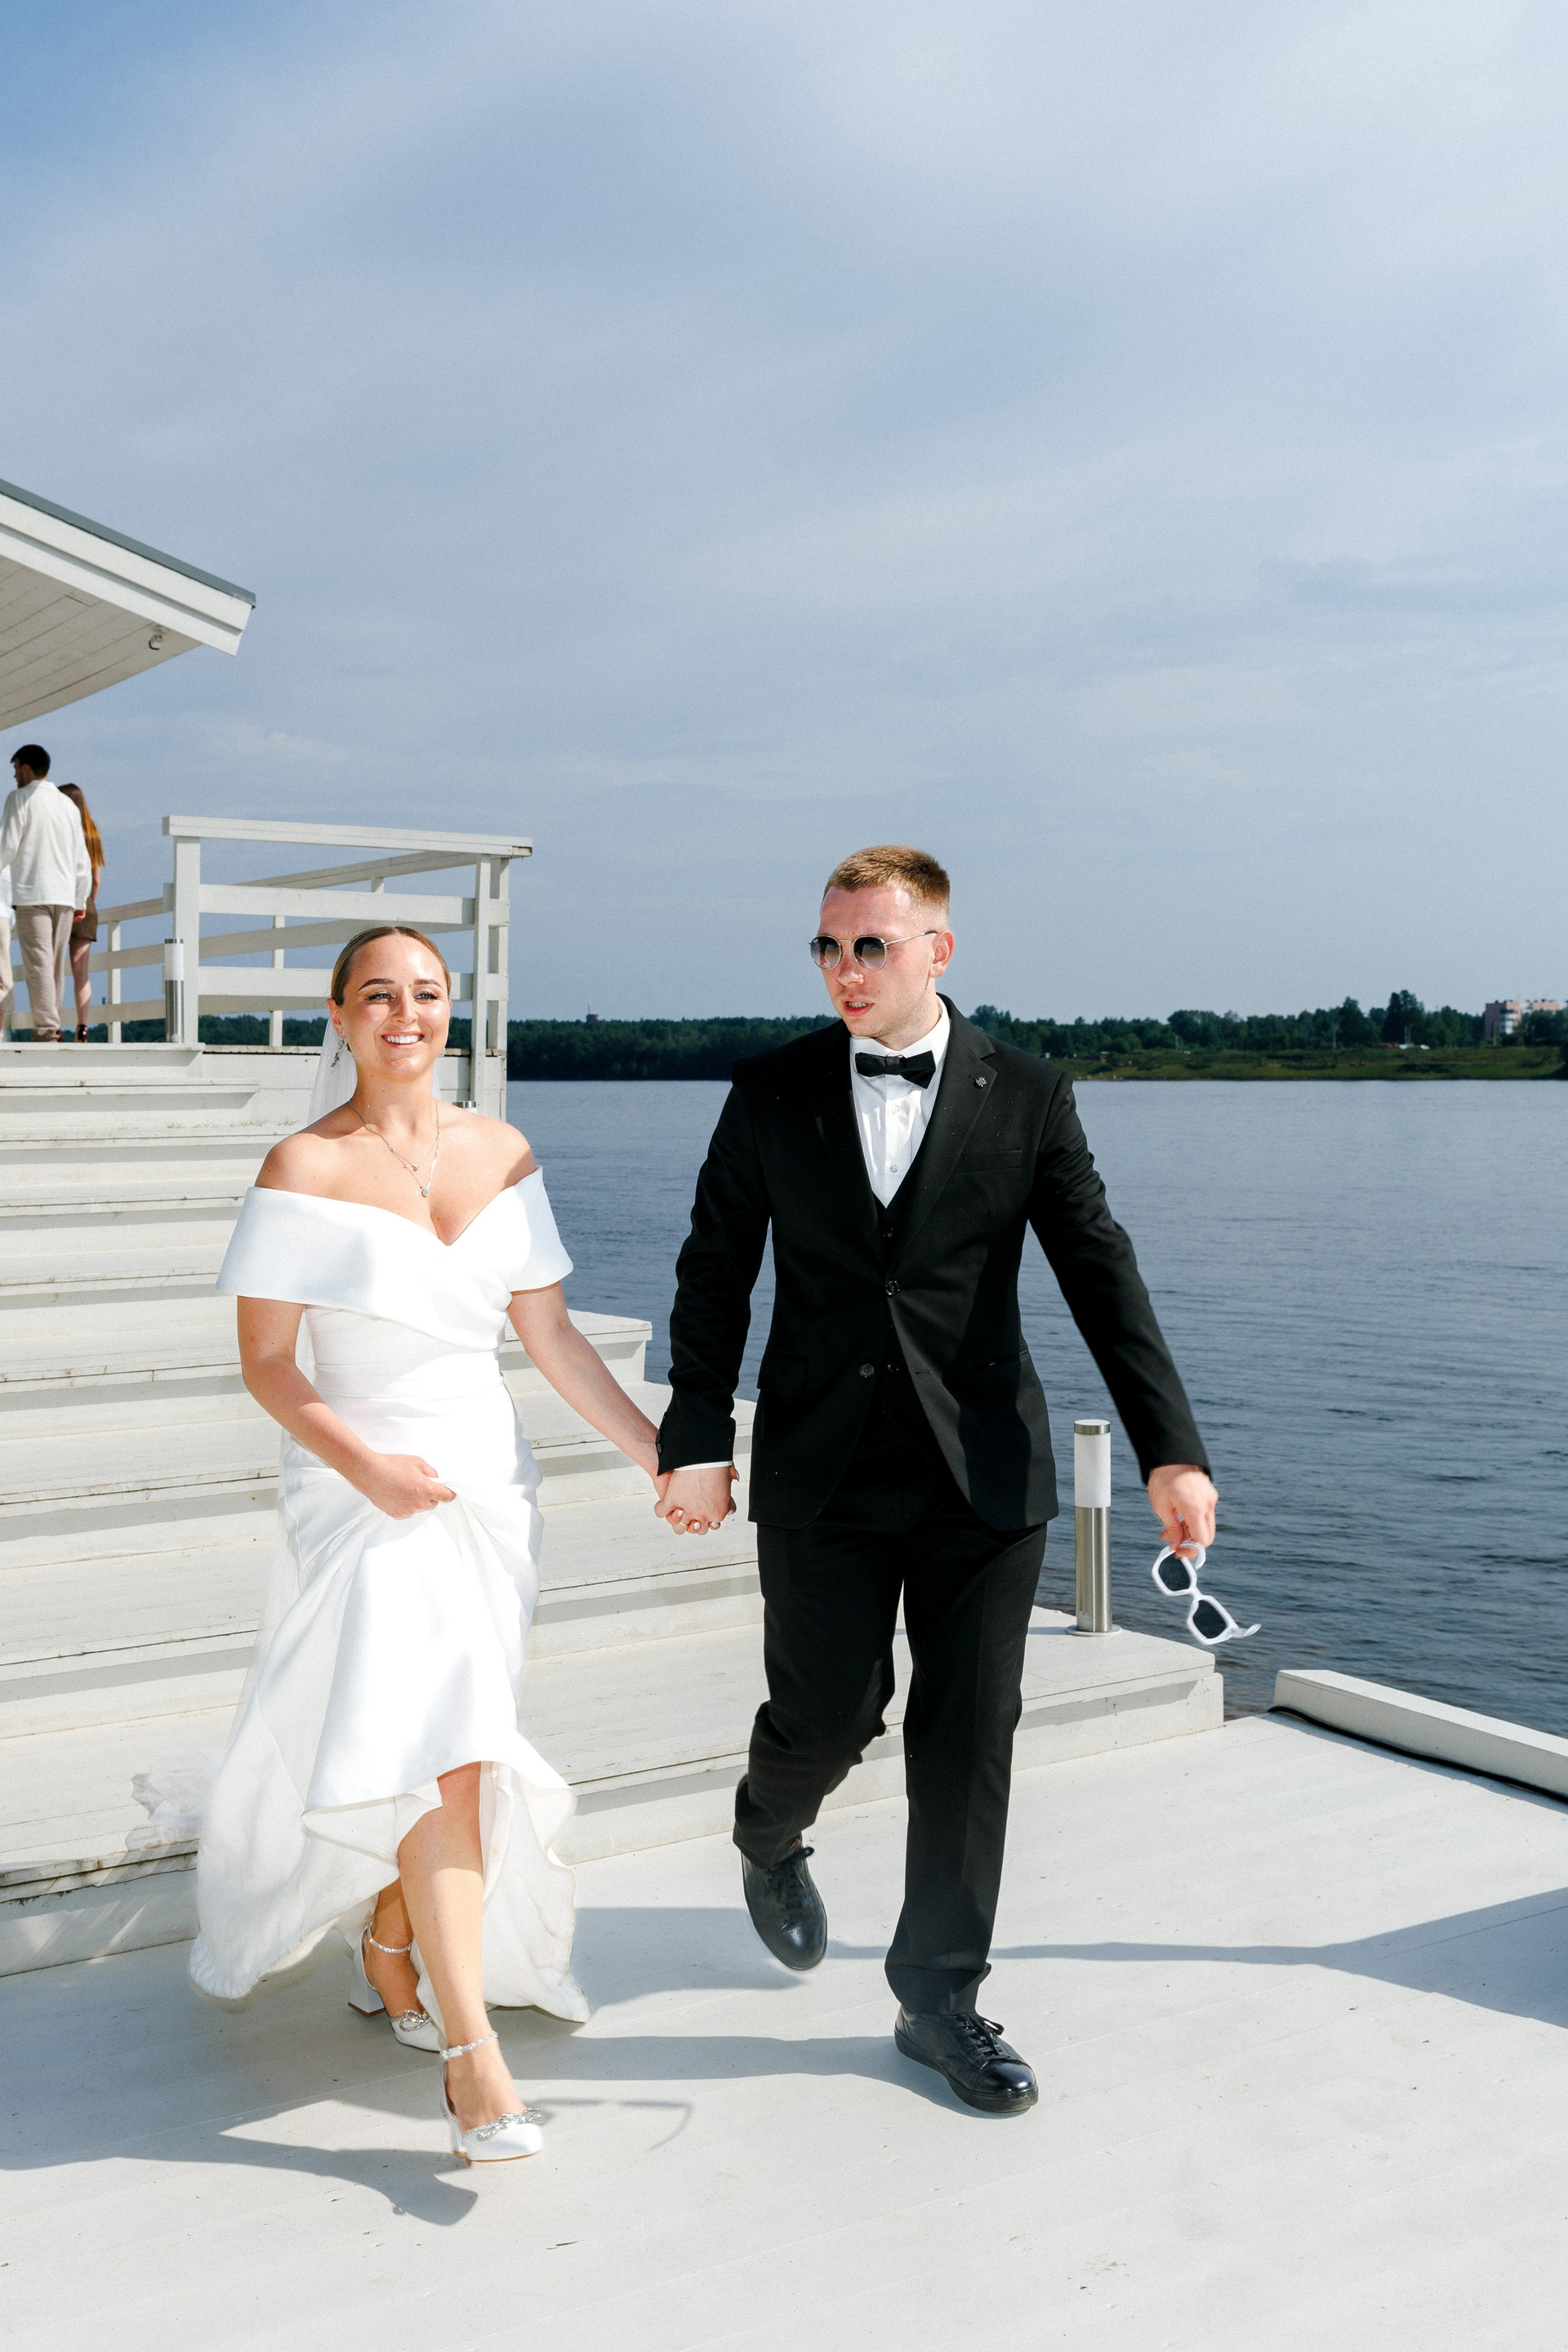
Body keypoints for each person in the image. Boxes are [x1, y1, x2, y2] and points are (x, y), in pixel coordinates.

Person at [655, 844, 1218, 2117]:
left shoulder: (1031, 1095)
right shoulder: (770, 1090)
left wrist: (1170, 1449)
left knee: (969, 1735)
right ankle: (767, 1830)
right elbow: (713, 1271)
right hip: (823, 1467)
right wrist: (696, 1437)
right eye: (828, 947)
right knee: (829, 1715)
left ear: (938, 951)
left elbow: (1101, 1272)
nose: (845, 970)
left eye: (872, 945)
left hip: (984, 1473)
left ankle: (940, 1999)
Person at [193, 922, 668, 2166]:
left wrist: (656, 1451)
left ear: (451, 1009)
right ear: (340, 1016)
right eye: (378, 995)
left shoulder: (502, 1150)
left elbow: (552, 1337)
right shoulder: (303, 1164)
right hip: (362, 1489)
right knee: (447, 1757)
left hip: (486, 1487)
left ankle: (393, 1940)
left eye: (426, 993)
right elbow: (267, 1362)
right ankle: (474, 2060)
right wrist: (367, 1468)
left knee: (449, 1744)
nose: (404, 1014)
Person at [0, 745, 89, 1044]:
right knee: (54, 966)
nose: (14, 776)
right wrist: (80, 898)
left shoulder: (18, 799)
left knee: (39, 963)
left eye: (15, 769)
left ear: (26, 768)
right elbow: (81, 858)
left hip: (32, 893)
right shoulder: (68, 806)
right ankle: (52, 1025)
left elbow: (6, 847)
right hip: (64, 896)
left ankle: (47, 1030)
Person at [57, 783, 104, 1042]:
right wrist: (88, 903)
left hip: (61, 903)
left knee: (55, 968)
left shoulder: (62, 831)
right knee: (81, 972)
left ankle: (53, 1025)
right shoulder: (93, 834)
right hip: (86, 907)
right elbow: (96, 880)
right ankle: (82, 1027)